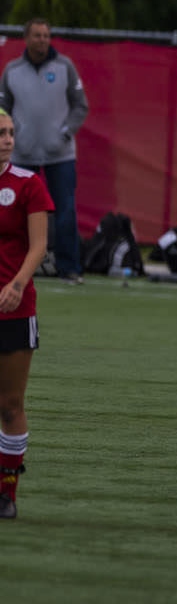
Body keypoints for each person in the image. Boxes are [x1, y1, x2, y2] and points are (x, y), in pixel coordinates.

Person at [0, 18, 89, 285]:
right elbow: (2, 109)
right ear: (26, 38)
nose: (43, 40)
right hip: (22, 155)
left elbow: (80, 106)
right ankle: (19, 268)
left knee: (65, 210)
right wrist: (15, 136)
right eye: (37, 35)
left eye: (46, 35)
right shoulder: (12, 71)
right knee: (15, 213)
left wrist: (64, 133)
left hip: (59, 154)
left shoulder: (65, 67)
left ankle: (69, 268)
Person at [0, 110, 53, 519]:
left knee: (10, 404)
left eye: (11, 133)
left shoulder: (28, 184)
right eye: (0, 133)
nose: (7, 140)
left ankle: (7, 492)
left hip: (14, 309)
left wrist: (17, 285)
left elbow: (38, 246)